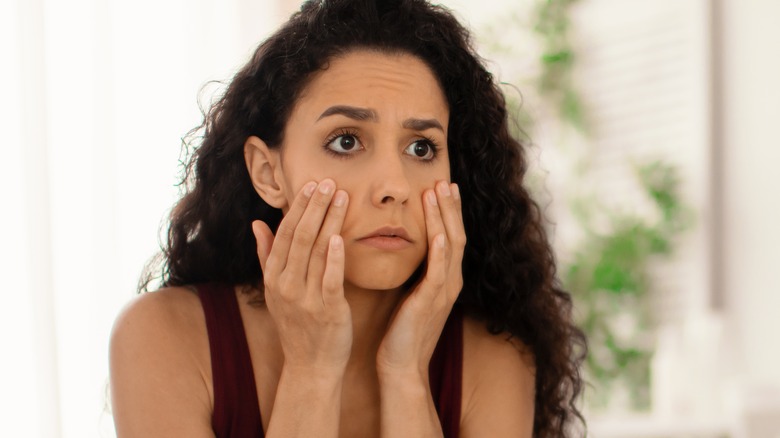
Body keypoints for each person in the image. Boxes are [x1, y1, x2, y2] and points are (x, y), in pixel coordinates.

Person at [109, 0, 586, 436]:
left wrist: (406, 376)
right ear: (268, 172)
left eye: (421, 147)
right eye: (346, 141)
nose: (394, 187)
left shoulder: (495, 360)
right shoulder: (163, 338)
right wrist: (311, 370)